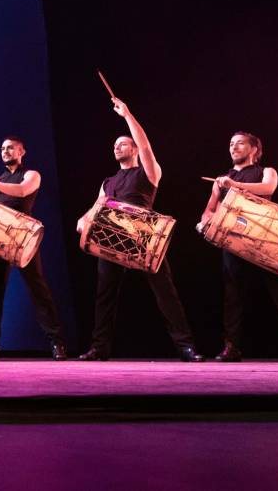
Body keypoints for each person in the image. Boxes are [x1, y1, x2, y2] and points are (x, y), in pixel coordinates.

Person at [76, 98, 202, 362]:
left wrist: (127, 115)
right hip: (110, 239)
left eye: (122, 144)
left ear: (134, 150)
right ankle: (100, 347)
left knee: (165, 292)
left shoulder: (148, 173)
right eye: (114, 145)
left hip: (143, 238)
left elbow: (145, 144)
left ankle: (185, 347)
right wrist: (83, 219)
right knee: (104, 294)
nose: (116, 147)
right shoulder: (108, 181)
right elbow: (97, 205)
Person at [201, 132, 278, 363]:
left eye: (240, 143)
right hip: (233, 241)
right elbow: (210, 210)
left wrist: (235, 185)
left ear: (254, 150)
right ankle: (232, 348)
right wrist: (205, 222)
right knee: (233, 297)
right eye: (230, 144)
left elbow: (268, 188)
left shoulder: (266, 171)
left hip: (264, 242)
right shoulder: (221, 180)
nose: (233, 147)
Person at [0, 137, 66, 361]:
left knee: (38, 289)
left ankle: (57, 342)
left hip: (22, 239)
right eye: (2, 148)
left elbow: (20, 191)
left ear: (22, 151)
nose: (5, 151)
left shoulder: (31, 175)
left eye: (10, 147)